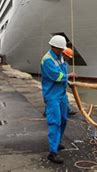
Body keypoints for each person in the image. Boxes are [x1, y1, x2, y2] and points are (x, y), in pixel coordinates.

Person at [40, 35, 75, 164]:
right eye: (60, 49)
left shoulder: (59, 56)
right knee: (55, 122)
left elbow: (62, 72)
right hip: (52, 96)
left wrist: (68, 81)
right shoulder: (47, 60)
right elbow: (56, 76)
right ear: (54, 47)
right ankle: (52, 152)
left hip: (61, 94)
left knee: (64, 119)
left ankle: (57, 141)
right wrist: (68, 76)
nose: (62, 51)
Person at [62, 48, 77, 116]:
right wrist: (70, 75)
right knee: (53, 101)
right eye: (68, 57)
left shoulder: (65, 64)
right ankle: (47, 112)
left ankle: (68, 110)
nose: (68, 58)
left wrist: (68, 82)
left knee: (65, 99)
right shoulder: (59, 63)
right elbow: (59, 75)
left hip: (63, 84)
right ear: (64, 55)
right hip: (57, 86)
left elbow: (63, 75)